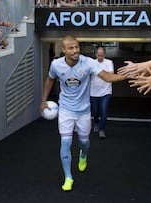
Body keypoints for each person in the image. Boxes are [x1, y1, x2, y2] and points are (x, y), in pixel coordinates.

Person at [39, 35, 125, 191]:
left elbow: (107, 77)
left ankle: (83, 155)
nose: (75, 51)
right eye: (71, 48)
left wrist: (128, 75)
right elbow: (50, 79)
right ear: (63, 50)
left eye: (77, 47)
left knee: (84, 142)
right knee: (65, 142)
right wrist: (43, 99)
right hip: (65, 109)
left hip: (84, 111)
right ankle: (68, 177)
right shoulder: (56, 65)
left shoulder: (88, 63)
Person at [90, 46, 114, 139]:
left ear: (104, 54)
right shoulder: (92, 63)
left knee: (103, 112)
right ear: (96, 54)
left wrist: (99, 72)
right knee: (95, 111)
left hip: (106, 92)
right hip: (93, 92)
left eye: (102, 55)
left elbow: (111, 75)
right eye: (98, 55)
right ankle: (96, 122)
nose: (100, 57)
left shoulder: (109, 62)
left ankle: (102, 130)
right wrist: (104, 74)